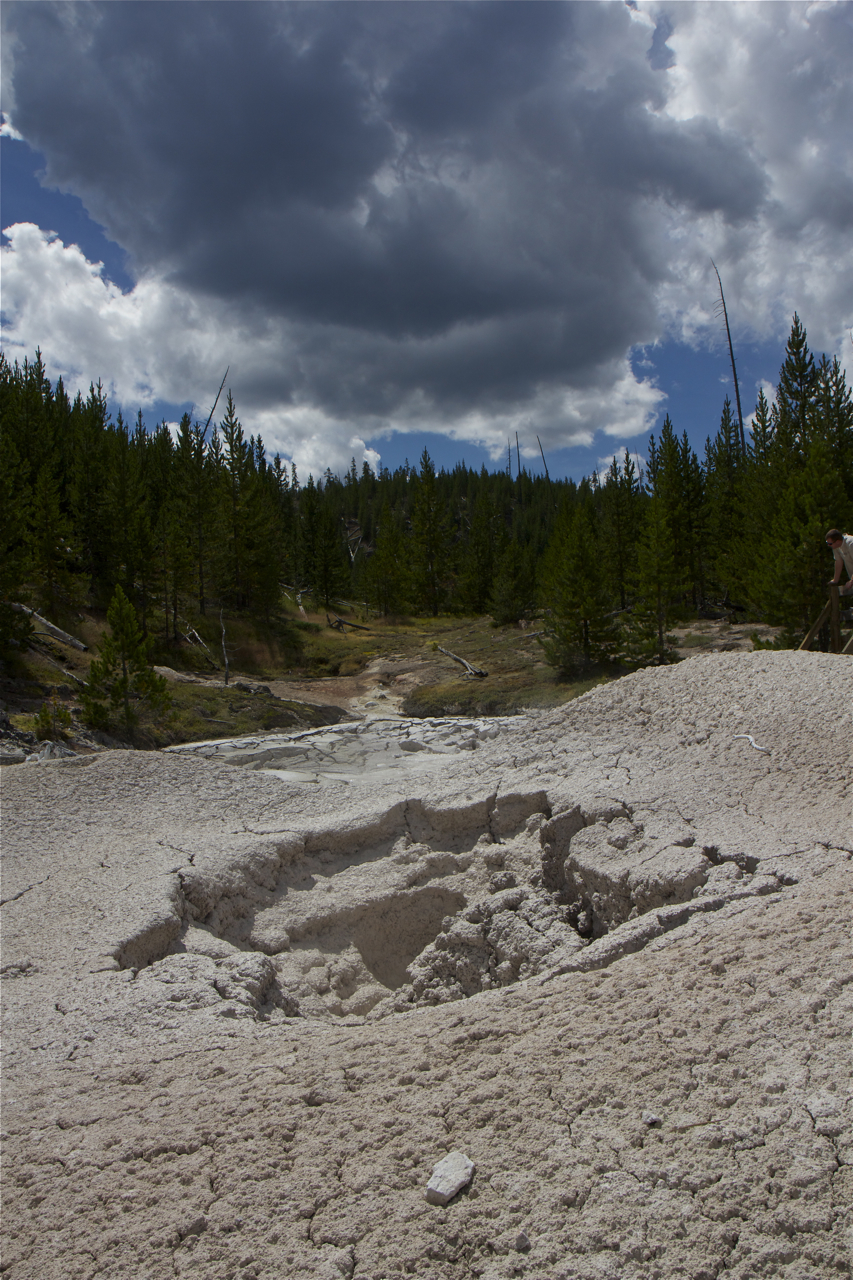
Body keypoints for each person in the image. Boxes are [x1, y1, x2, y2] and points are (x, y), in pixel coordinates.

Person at [825, 528, 853, 595]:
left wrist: (852, 581)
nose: (829, 545)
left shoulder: (851, 544)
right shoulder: (836, 547)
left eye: (830, 543)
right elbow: (838, 561)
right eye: (827, 543)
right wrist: (835, 580)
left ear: (837, 541)